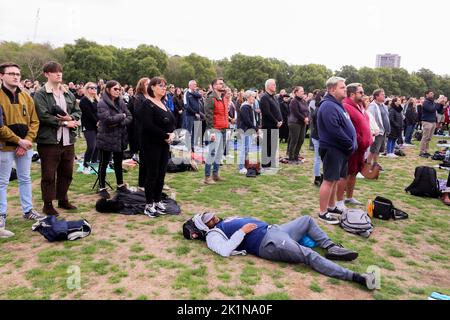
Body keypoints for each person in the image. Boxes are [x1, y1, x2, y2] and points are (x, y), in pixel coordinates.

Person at [184, 212, 377, 290]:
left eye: (211, 215)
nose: (213, 217)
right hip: (268, 243)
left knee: (306, 220)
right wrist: (242, 231)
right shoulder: (211, 236)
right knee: (308, 255)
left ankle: (331, 247)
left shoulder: (222, 222)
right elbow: (225, 251)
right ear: (203, 229)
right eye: (209, 219)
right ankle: (358, 278)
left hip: (275, 230)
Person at [0, 62, 43, 238]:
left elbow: (35, 121)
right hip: (4, 147)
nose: (16, 76)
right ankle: (1, 215)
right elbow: (0, 127)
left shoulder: (26, 97)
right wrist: (19, 141)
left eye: (18, 74)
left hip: (25, 147)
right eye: (11, 73)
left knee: (25, 178)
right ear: (2, 76)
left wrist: (27, 140)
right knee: (2, 182)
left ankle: (28, 210)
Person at [33, 61, 81, 216]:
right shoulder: (41, 94)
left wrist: (71, 118)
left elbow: (77, 111)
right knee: (48, 174)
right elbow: (44, 116)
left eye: (60, 71)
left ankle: (63, 199)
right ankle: (47, 204)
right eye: (54, 72)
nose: (58, 74)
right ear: (46, 74)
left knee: (67, 172)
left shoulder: (68, 93)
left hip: (67, 141)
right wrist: (66, 122)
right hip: (49, 141)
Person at [316, 77, 357, 224]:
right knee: (328, 180)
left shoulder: (337, 104)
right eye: (342, 87)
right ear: (332, 89)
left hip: (341, 149)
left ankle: (332, 206)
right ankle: (322, 212)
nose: (345, 89)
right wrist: (349, 143)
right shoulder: (328, 106)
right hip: (334, 148)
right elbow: (334, 130)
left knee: (334, 180)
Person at [139, 77, 175, 217]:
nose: (163, 88)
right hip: (151, 144)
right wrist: (166, 136)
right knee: (152, 174)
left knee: (161, 173)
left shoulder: (162, 103)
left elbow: (171, 121)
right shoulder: (147, 104)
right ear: (152, 87)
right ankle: (149, 204)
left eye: (164, 85)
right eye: (160, 85)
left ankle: (157, 200)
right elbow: (148, 126)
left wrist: (171, 134)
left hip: (164, 144)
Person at [96, 80, 132, 199]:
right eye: (115, 89)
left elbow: (130, 116)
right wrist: (121, 116)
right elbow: (106, 120)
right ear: (108, 89)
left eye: (119, 89)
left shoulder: (120, 101)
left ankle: (120, 185)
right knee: (104, 163)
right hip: (106, 137)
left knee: (118, 162)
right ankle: (102, 187)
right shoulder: (102, 103)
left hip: (119, 136)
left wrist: (119, 122)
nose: (118, 91)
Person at [337, 83, 372, 207]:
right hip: (353, 147)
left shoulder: (359, 106)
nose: (363, 94)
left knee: (354, 172)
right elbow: (348, 128)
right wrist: (359, 140)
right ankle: (339, 200)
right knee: (345, 174)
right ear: (352, 94)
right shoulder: (346, 106)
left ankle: (349, 197)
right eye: (361, 92)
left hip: (360, 148)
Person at [203, 78, 228, 184]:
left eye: (223, 83)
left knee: (219, 153)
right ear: (214, 86)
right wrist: (211, 131)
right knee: (212, 153)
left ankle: (215, 174)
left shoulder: (223, 98)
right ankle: (207, 177)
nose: (222, 85)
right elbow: (208, 117)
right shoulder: (211, 98)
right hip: (215, 129)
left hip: (223, 128)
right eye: (220, 84)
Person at [128, 77, 150, 191]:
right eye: (147, 84)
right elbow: (138, 113)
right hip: (141, 131)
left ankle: (149, 182)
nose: (149, 85)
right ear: (142, 85)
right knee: (144, 159)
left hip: (151, 131)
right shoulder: (138, 98)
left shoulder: (151, 97)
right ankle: (142, 184)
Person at [259, 79, 283, 169]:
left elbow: (278, 110)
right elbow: (266, 112)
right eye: (273, 84)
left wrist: (281, 120)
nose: (275, 86)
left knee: (273, 145)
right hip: (268, 125)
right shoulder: (264, 97)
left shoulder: (274, 97)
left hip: (276, 125)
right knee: (267, 145)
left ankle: (272, 162)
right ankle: (265, 164)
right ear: (268, 86)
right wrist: (276, 121)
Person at [79, 82, 99, 174]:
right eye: (91, 88)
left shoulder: (97, 99)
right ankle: (86, 166)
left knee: (97, 146)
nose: (94, 89)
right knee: (91, 146)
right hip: (88, 126)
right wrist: (98, 121)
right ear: (87, 89)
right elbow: (89, 114)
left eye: (95, 88)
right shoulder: (84, 100)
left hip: (98, 126)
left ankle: (94, 165)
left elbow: (100, 112)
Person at [367, 89, 390, 168]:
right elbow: (371, 119)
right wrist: (374, 130)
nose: (384, 96)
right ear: (376, 96)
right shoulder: (372, 106)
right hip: (377, 132)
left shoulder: (383, 105)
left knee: (379, 150)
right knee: (373, 150)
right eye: (382, 94)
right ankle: (368, 165)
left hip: (383, 131)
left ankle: (375, 164)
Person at [237, 90, 258, 174]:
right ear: (248, 97)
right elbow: (247, 120)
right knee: (243, 148)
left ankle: (244, 165)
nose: (254, 98)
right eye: (253, 97)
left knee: (247, 148)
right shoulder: (245, 107)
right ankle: (241, 167)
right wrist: (255, 128)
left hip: (248, 130)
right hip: (244, 130)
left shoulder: (249, 106)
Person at [420, 90, 445, 157]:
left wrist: (441, 105)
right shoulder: (426, 102)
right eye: (431, 93)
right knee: (425, 137)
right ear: (426, 95)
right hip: (426, 121)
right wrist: (437, 103)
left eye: (433, 94)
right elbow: (431, 109)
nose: (432, 95)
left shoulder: (433, 102)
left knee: (429, 138)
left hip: (433, 121)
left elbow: (440, 111)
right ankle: (422, 151)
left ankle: (426, 151)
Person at [287, 86, 309, 164]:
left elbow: (307, 111)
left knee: (301, 140)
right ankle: (291, 158)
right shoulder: (294, 101)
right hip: (294, 123)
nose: (303, 92)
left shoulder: (303, 101)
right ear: (296, 92)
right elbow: (296, 112)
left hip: (302, 123)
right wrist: (304, 118)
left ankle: (296, 156)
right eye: (301, 91)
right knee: (294, 140)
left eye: (303, 91)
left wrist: (307, 118)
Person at [310, 90, 324, 186]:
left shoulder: (319, 107)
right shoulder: (319, 108)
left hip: (319, 135)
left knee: (320, 158)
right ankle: (317, 178)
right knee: (318, 158)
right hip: (318, 136)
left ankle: (320, 176)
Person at [183, 80, 203, 151]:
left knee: (195, 131)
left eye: (196, 84)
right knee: (189, 131)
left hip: (197, 115)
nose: (195, 86)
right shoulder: (186, 93)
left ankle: (192, 146)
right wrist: (195, 113)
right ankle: (187, 146)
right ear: (190, 85)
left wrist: (193, 92)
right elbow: (186, 106)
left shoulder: (195, 93)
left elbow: (200, 95)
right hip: (190, 115)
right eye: (194, 84)